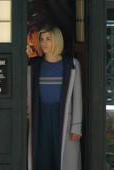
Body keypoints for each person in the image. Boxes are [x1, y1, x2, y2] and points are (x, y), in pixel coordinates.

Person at [26, 25, 83, 170]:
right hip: (40, 116)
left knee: (62, 160)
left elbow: (77, 97)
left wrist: (76, 127)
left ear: (57, 40)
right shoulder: (33, 65)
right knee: (42, 158)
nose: (44, 43)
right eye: (42, 39)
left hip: (63, 117)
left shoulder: (72, 64)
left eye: (48, 39)